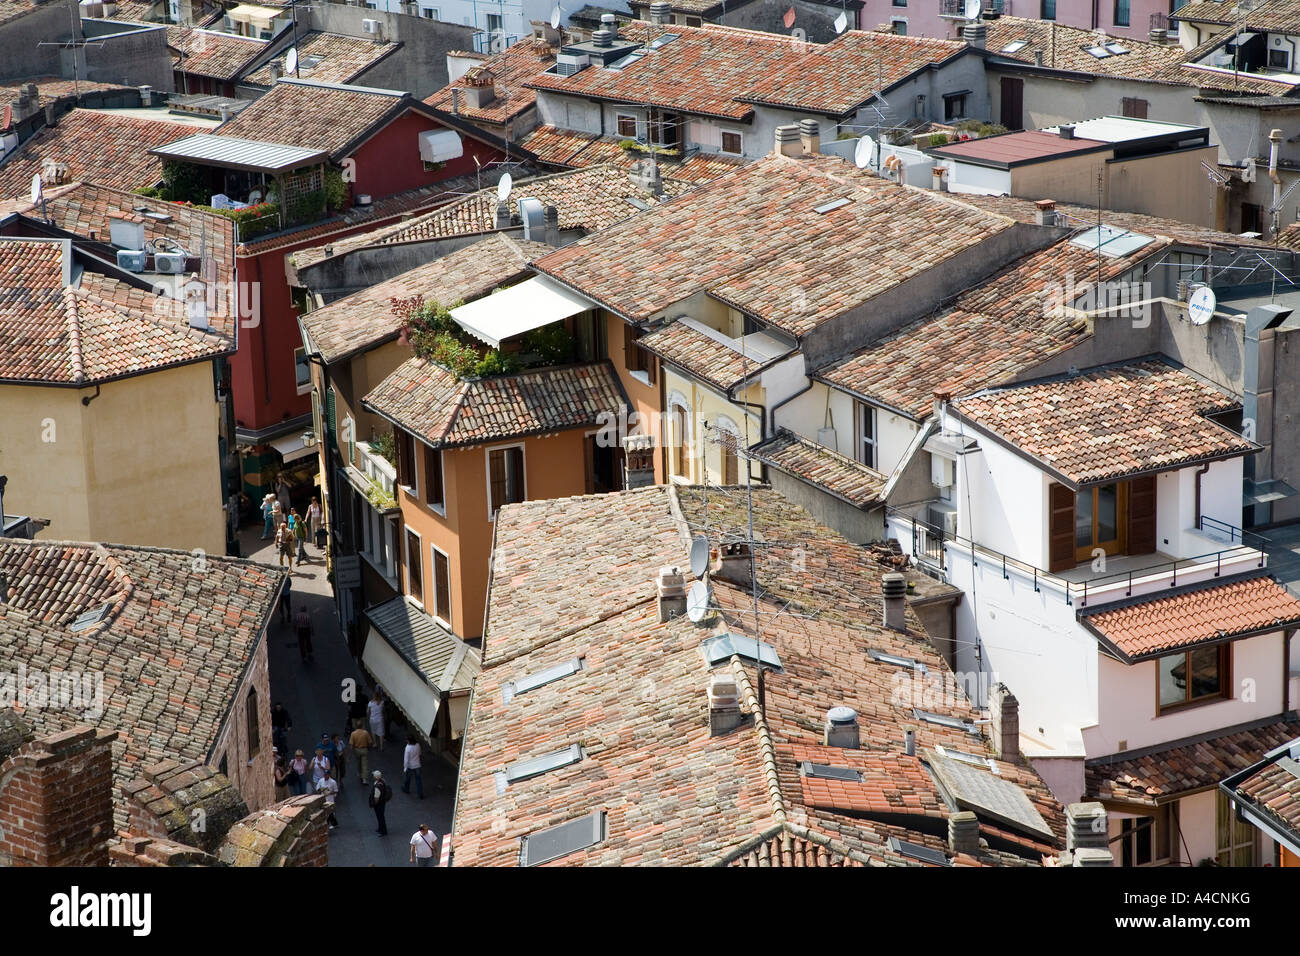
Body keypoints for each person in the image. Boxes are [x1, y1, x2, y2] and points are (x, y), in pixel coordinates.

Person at [368, 770, 392, 836]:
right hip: (382, 802)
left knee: (380, 817)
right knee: (380, 816)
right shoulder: (382, 781)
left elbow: (376, 798)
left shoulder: (377, 787)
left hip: (379, 804)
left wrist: (374, 803)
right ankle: (380, 828)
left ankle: (383, 831)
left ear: (375, 777)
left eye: (373, 775)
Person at [402, 735, 424, 799]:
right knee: (418, 780)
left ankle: (406, 789)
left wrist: (405, 767)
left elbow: (406, 759)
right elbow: (420, 753)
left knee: (407, 779)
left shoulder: (408, 748)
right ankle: (420, 794)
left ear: (408, 741)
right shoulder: (417, 745)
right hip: (417, 765)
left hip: (410, 766)